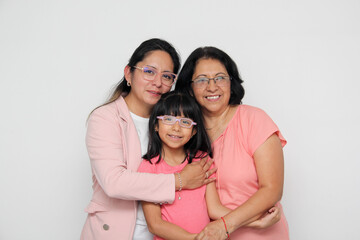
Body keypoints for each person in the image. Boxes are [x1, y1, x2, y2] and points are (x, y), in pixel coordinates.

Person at [81, 39, 216, 240]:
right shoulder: (105, 118)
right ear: (128, 73)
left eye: (167, 76)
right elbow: (113, 182)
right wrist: (180, 180)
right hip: (115, 233)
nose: (158, 82)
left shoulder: (172, 124)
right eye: (149, 71)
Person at [175, 46, 289, 240]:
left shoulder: (254, 120)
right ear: (190, 89)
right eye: (202, 80)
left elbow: (272, 190)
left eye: (220, 78)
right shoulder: (184, 131)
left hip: (260, 234)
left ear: (231, 83)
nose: (212, 87)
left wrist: (224, 225)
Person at [138, 91, 282, 240]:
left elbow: (214, 209)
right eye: (168, 119)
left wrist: (255, 222)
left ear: (194, 131)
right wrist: (197, 238)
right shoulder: (148, 167)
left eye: (185, 122)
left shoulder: (202, 160)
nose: (176, 128)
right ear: (155, 125)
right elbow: (155, 224)